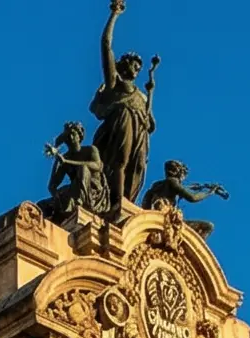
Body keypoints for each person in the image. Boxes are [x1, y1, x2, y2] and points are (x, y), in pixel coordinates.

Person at [91, 0, 158, 219]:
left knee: (137, 166)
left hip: (139, 126)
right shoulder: (115, 83)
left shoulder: (140, 94)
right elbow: (105, 44)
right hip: (122, 121)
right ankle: (119, 203)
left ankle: (128, 201)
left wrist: (149, 102)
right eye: (132, 64)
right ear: (122, 64)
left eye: (139, 67)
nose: (136, 69)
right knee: (121, 161)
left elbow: (152, 124)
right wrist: (115, 15)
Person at [139, 159, 226, 235]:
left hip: (156, 218)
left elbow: (179, 189)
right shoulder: (173, 181)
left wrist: (197, 187)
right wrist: (210, 192)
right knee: (207, 227)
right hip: (167, 220)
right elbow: (192, 198)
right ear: (179, 173)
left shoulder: (157, 185)